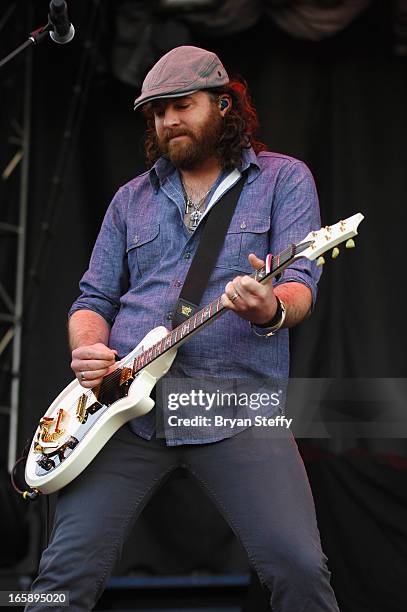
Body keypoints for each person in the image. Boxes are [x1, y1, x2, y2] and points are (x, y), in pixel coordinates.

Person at [26, 46, 340, 611]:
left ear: (224, 105)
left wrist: (268, 307)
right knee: (61, 579)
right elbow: (91, 298)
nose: (168, 119)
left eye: (182, 105)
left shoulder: (282, 181)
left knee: (298, 567)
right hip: (121, 413)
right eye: (156, 110)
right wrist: (90, 348)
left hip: (234, 405)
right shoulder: (130, 201)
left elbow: (300, 289)